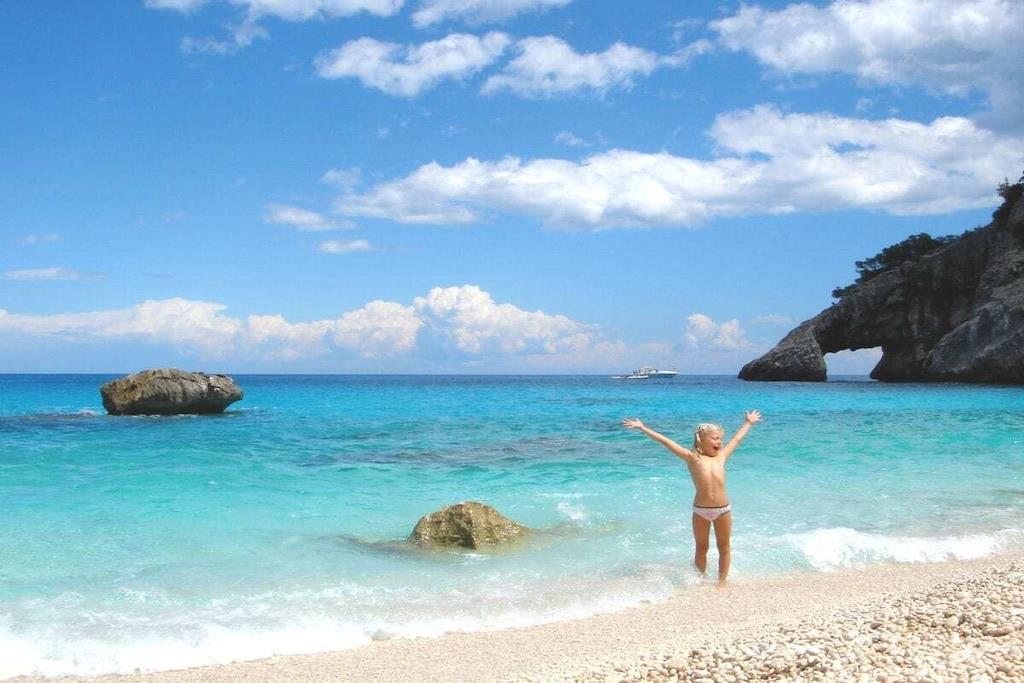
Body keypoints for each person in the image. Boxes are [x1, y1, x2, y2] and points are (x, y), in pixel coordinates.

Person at [622, 411, 762, 585]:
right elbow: (666, 442)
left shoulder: (722, 456)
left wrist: (748, 423)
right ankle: (700, 580)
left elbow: (737, 439)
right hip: (701, 510)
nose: (719, 442)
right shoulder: (692, 458)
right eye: (715, 438)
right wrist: (643, 428)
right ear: (701, 439)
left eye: (720, 439)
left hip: (723, 510)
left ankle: (722, 582)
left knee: (724, 547)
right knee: (701, 547)